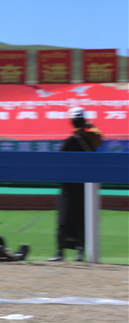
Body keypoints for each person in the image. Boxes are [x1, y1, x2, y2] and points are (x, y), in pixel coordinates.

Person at [49, 106, 102, 262]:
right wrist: (91, 126)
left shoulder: (70, 142)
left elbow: (59, 163)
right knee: (81, 221)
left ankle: (59, 253)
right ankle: (79, 254)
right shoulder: (90, 141)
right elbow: (99, 139)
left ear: (71, 121)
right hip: (84, 187)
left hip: (69, 187)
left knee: (63, 221)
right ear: (84, 120)